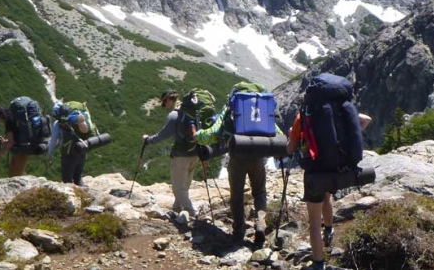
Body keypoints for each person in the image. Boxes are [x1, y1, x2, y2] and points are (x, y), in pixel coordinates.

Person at [286, 74, 365, 270]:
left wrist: (293, 136)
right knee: (327, 199)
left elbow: (289, 149)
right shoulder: (343, 109)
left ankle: (318, 263)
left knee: (313, 221)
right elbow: (365, 120)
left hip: (316, 171)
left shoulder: (304, 116)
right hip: (338, 166)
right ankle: (329, 231)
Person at [194, 82, 275, 245]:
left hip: (237, 156)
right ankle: (260, 223)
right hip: (258, 155)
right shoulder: (263, 105)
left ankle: (239, 232)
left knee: (236, 196)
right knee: (259, 193)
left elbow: (214, 132)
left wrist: (199, 135)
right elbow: (276, 131)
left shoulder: (232, 106)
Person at [141, 89, 198, 223]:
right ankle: (176, 208)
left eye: (164, 103)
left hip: (181, 156)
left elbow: (163, 134)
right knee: (186, 183)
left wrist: (148, 139)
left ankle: (192, 214)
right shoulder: (191, 111)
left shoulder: (174, 115)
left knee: (178, 187)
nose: (165, 107)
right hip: (195, 152)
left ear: (167, 100)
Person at [49, 101, 97, 186]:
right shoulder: (78, 117)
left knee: (67, 180)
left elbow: (53, 142)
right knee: (78, 177)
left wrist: (49, 156)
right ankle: (83, 196)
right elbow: (90, 129)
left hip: (68, 153)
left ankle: (70, 197)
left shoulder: (58, 123)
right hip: (82, 148)